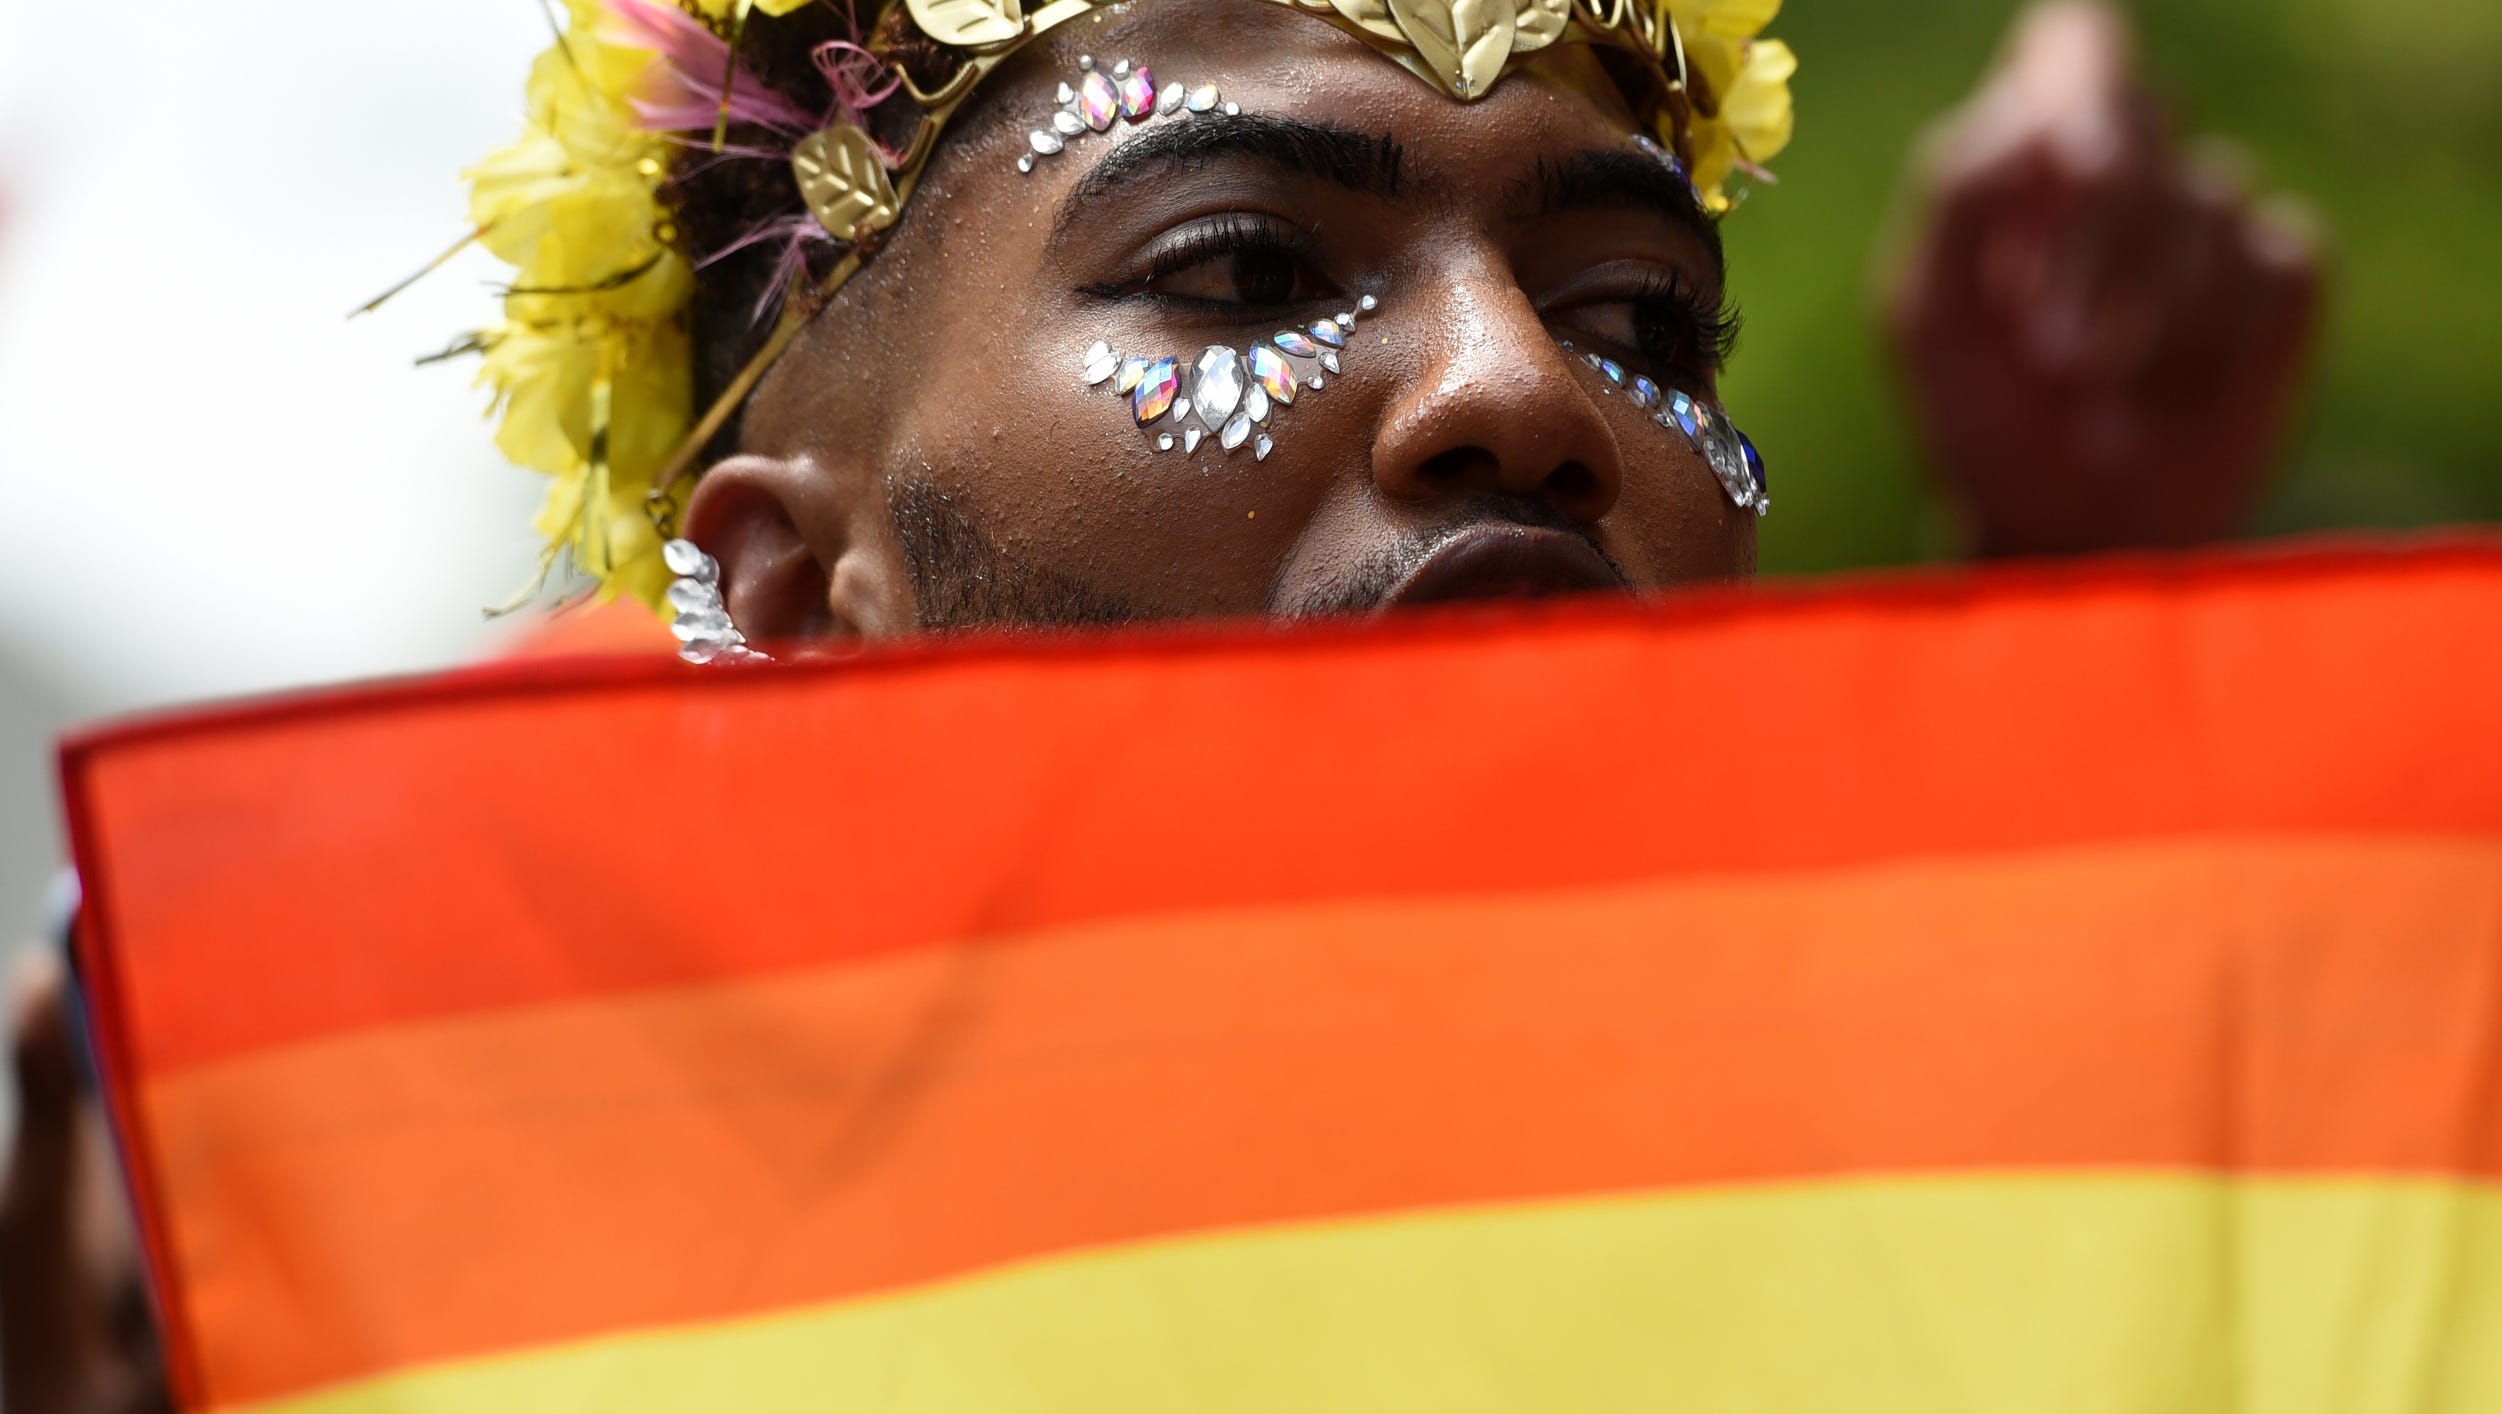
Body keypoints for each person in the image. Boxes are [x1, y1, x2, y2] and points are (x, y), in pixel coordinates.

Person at [1, 0, 2322, 1407]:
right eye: (1239, 269)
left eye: (1637, 320)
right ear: (804, 601)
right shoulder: (451, 1317)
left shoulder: (1885, 1266)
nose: (1528, 394)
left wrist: (2089, 616)